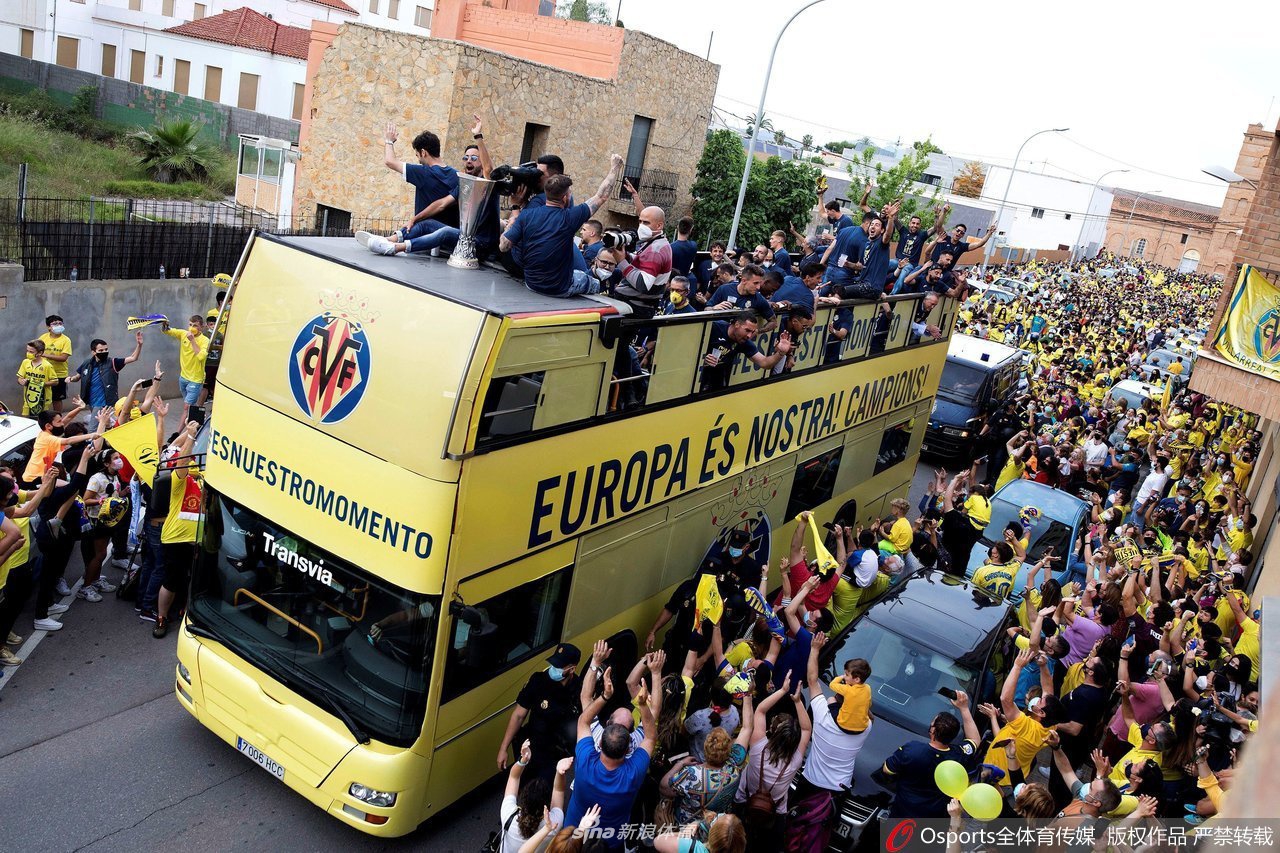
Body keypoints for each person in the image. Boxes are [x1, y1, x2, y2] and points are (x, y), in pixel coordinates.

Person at [499, 154, 625, 298]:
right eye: (570, 194)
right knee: (591, 281)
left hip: (531, 284)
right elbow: (601, 196)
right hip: (559, 288)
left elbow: (503, 246)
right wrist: (615, 168)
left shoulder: (527, 215)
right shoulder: (570, 217)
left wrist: (514, 217)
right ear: (565, 197)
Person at [564, 656, 657, 850]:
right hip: (610, 844)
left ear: (600, 740)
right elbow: (650, 736)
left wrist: (605, 695)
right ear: (629, 746)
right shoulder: (633, 772)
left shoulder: (585, 759)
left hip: (573, 838)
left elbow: (583, 719)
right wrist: (644, 701)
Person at [734, 677, 810, 850]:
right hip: (774, 815)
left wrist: (783, 690)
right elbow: (807, 729)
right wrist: (797, 702)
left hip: (743, 803)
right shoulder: (796, 760)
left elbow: (760, 710)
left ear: (771, 731)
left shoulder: (758, 745)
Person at [880, 689, 981, 818]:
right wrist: (964, 708)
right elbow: (975, 740)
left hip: (902, 815)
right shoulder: (958, 755)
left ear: (932, 731)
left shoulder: (912, 750)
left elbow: (887, 770)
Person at [662, 694, 753, 824]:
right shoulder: (735, 764)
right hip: (716, 824)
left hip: (689, 826)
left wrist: (680, 763)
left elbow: (664, 788)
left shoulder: (692, 774)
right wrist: (747, 694)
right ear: (729, 750)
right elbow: (747, 728)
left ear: (706, 750)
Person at [497, 643, 583, 781]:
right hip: (532, 747)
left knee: (545, 793)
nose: (553, 669)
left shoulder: (579, 689)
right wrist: (503, 748)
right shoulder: (538, 681)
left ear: (571, 669)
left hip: (555, 755)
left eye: (558, 666)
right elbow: (519, 715)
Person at [152, 420, 202, 638]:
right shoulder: (179, 479)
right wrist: (190, 436)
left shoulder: (203, 481)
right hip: (175, 538)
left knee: (194, 581)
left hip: (199, 540)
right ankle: (161, 617)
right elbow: (181, 463)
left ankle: (186, 612)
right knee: (171, 581)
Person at [378, 122, 460, 249]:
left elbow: (390, 161)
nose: (419, 160)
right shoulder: (457, 175)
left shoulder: (424, 173)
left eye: (417, 155)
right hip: (450, 241)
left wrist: (389, 141)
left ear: (423, 152)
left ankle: (386, 241)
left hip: (425, 240)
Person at [497, 741, 569, 853]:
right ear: (546, 805)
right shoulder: (553, 825)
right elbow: (558, 790)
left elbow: (513, 778)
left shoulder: (508, 814)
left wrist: (523, 760)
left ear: (522, 799)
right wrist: (560, 772)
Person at [697, 315, 791, 392]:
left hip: (716, 381)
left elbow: (765, 363)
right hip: (694, 380)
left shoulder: (743, 341)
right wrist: (703, 359)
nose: (749, 336)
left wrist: (781, 353)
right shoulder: (714, 327)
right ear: (737, 324)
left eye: (752, 332)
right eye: (747, 330)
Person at [69, 333, 144, 418]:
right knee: (102, 426)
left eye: (106, 349)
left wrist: (139, 345)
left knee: (93, 428)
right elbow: (78, 376)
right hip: (91, 402)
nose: (104, 352)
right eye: (101, 351)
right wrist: (70, 379)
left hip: (104, 404)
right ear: (93, 352)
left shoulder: (113, 362)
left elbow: (133, 358)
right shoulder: (87, 363)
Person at [161, 315, 209, 423]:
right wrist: (165, 324)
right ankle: (198, 420)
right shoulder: (183, 334)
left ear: (201, 327)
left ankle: (177, 434)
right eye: (190, 325)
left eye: (195, 326)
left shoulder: (205, 340)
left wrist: (192, 341)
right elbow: (168, 331)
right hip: (183, 378)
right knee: (190, 406)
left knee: (186, 407)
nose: (192, 327)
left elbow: (200, 356)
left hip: (195, 379)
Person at [38, 314, 74, 413]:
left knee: (57, 399)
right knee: (40, 397)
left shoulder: (66, 340)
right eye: (55, 323)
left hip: (59, 374)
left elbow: (63, 358)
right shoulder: (43, 338)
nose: (58, 325)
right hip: (43, 373)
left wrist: (45, 355)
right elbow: (36, 352)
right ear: (48, 327)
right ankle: (41, 419)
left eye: (60, 323)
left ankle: (57, 417)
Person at [16, 339, 57, 417]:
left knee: (40, 421)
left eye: (31, 352)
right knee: (26, 419)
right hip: (28, 399)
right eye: (27, 351)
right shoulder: (25, 362)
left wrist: (40, 384)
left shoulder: (47, 366)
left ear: (40, 353)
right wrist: (21, 381)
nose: (28, 353)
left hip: (43, 400)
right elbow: (19, 378)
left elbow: (55, 381)